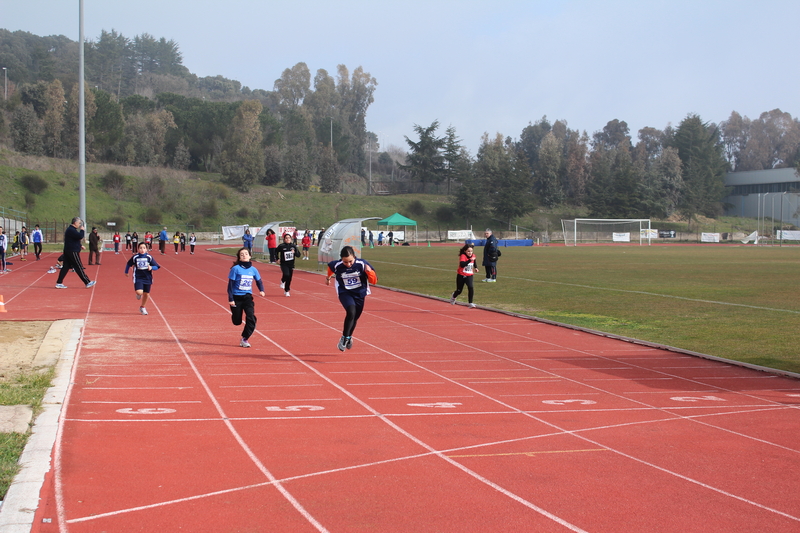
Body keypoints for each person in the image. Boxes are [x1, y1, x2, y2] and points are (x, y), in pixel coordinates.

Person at [326, 245, 377, 352]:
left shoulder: (362, 264)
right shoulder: (337, 265)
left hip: (359, 293)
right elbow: (330, 269)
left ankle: (348, 337)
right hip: (345, 292)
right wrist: (328, 278)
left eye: (350, 261)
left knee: (354, 318)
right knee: (351, 312)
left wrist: (369, 272)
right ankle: (344, 338)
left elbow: (374, 281)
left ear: (354, 257)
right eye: (345, 262)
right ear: (341, 259)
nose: (348, 264)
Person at [227, 247, 265, 348]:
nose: (244, 255)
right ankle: (235, 314)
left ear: (250, 256)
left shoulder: (253, 270)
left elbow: (258, 281)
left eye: (246, 254)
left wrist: (261, 290)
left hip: (247, 297)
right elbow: (230, 285)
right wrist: (230, 299)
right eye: (242, 254)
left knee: (251, 317)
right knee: (237, 322)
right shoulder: (235, 269)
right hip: (236, 297)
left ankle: (245, 338)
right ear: (239, 257)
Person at [55, 217, 95, 289]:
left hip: (69, 250)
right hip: (72, 251)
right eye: (79, 223)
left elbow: (73, 240)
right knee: (78, 266)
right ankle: (87, 282)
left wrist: (80, 245)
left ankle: (59, 282)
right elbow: (80, 236)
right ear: (75, 223)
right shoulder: (71, 230)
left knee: (66, 267)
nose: (79, 225)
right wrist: (82, 230)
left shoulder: (71, 230)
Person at [124, 242, 160, 315]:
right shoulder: (135, 257)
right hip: (138, 277)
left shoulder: (149, 257)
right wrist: (126, 272)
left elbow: (157, 267)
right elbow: (128, 264)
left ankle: (142, 307)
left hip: (147, 277)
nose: (142, 249)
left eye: (144, 248)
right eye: (140, 248)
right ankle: (138, 294)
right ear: (138, 249)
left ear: (146, 249)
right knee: (139, 292)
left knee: (146, 294)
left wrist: (151, 267)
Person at [450, 243, 479, 308]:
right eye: (468, 251)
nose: (470, 253)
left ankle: (470, 303)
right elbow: (462, 264)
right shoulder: (463, 256)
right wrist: (469, 260)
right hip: (461, 275)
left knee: (470, 287)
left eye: (471, 251)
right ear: (465, 251)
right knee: (459, 291)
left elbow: (474, 261)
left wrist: (476, 268)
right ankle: (454, 296)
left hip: (469, 275)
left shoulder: (473, 256)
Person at [276, 233, 300, 297]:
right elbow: (275, 252)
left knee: (289, 278)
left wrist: (294, 252)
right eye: (286, 238)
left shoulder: (293, 246)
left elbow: (298, 255)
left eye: (289, 238)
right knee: (286, 274)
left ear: (291, 239)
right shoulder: (281, 246)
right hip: (284, 263)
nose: (288, 239)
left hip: (291, 264)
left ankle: (286, 291)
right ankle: (282, 280)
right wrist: (277, 259)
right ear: (284, 239)